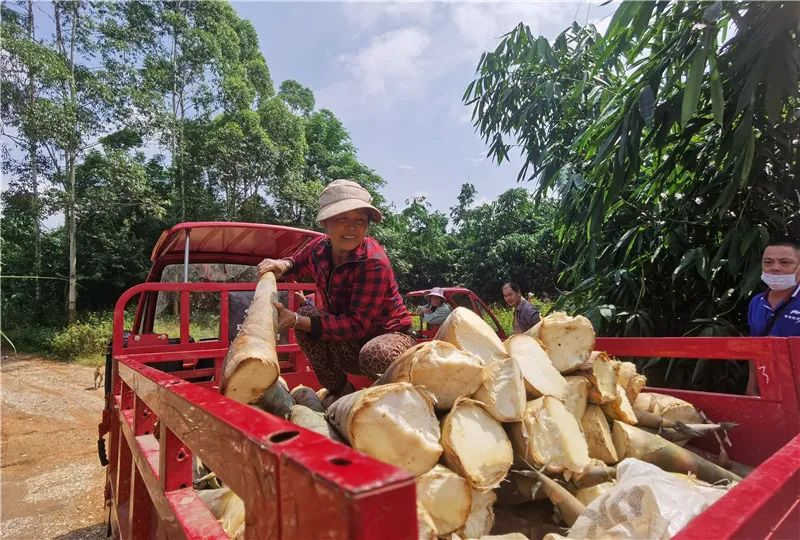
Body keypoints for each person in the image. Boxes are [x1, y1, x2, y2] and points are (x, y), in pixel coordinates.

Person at [257, 179, 415, 404]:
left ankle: (401, 399)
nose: (352, 227)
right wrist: (282, 264)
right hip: (352, 340)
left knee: (376, 354)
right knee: (309, 320)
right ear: (325, 223)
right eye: (342, 219)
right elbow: (295, 262)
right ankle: (342, 392)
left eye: (360, 220)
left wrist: (295, 319)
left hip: (391, 339)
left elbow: (358, 324)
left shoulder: (372, 262)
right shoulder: (319, 248)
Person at [746, 240, 800, 395]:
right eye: (768, 262)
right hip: (770, 385)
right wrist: (752, 387)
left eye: (785, 262)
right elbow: (754, 347)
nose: (775, 267)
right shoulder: (757, 302)